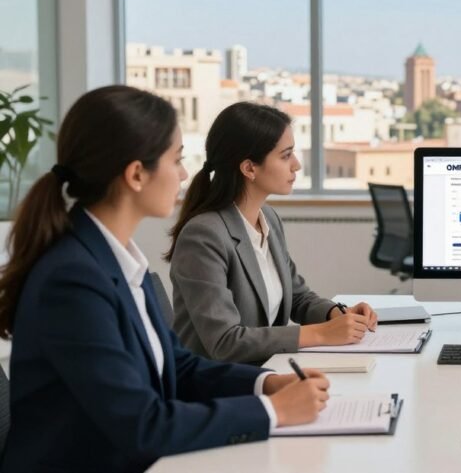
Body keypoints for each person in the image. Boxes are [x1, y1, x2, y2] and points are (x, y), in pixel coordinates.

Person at [0, 86, 330, 472]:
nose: (185, 174)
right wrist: (271, 412)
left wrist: (264, 384)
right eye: (176, 160)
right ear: (137, 174)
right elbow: (143, 424)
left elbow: (178, 366)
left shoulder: (116, 259)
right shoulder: (72, 280)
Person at [167, 102, 377, 365]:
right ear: (249, 168)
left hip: (266, 371)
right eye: (286, 155)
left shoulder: (269, 219)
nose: (297, 165)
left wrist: (337, 315)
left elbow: (297, 297)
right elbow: (225, 342)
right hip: (220, 388)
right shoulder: (204, 236)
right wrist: (321, 334)